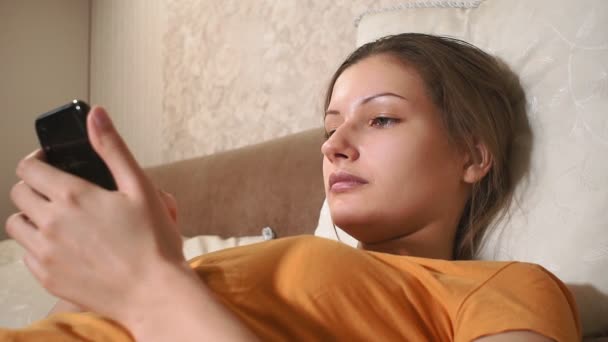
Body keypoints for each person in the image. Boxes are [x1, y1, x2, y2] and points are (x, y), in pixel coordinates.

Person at [2, 33, 580, 341]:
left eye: (380, 118)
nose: (332, 146)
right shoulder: (270, 256)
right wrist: (92, 274)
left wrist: (148, 289)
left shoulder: (502, 288)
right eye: (330, 129)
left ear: (473, 155)